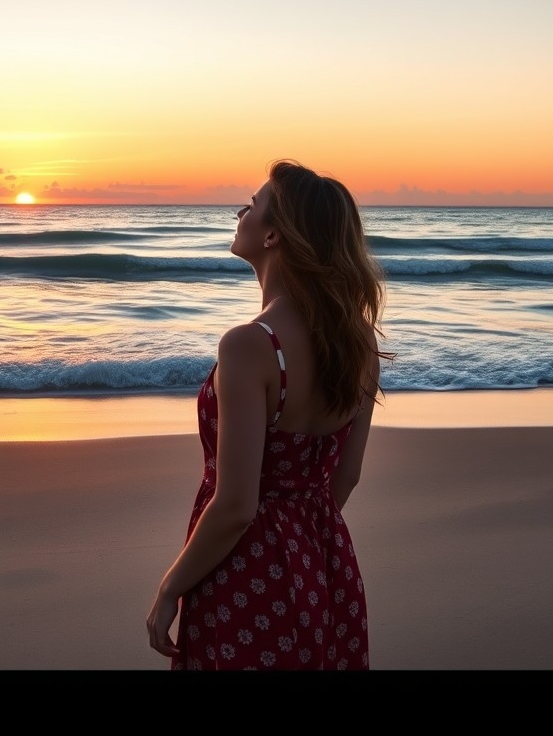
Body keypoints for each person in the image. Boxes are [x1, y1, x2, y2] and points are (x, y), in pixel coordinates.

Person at [146, 159, 390, 670]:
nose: (242, 211)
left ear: (275, 233)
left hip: (244, 572)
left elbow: (235, 506)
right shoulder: (357, 343)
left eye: (253, 205)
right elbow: (345, 476)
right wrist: (300, 543)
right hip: (324, 562)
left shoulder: (250, 346)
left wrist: (171, 587)